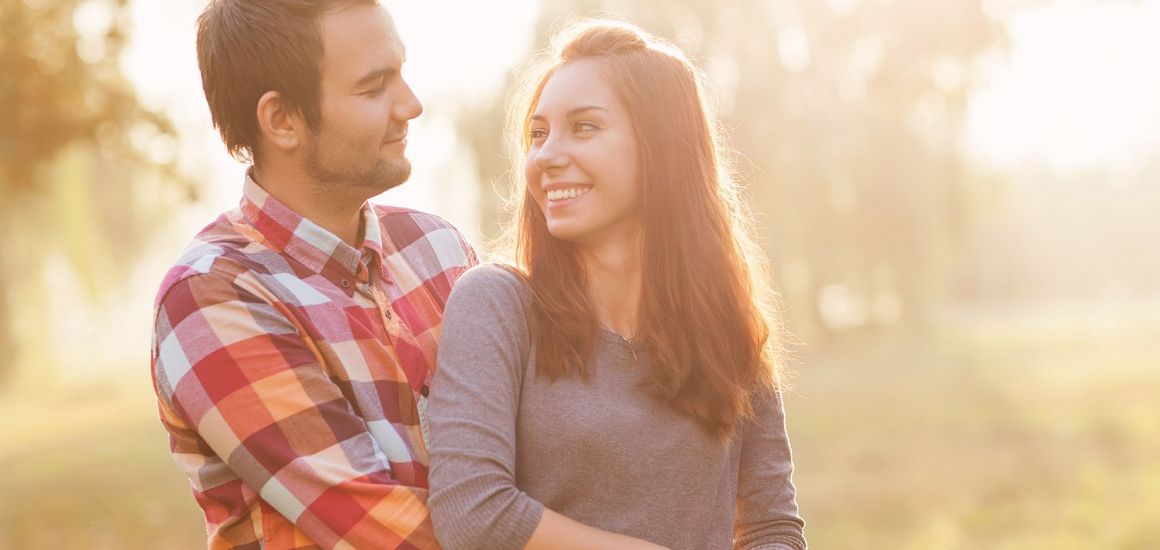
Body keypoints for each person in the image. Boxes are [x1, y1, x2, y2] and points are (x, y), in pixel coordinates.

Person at [425, 19, 806, 550]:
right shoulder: (495, 303)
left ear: (662, 148)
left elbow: (772, 526)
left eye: (584, 127)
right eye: (538, 134)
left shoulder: (727, 327)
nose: (547, 155)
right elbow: (473, 513)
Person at [150, 1, 475, 547]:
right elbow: (390, 536)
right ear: (282, 121)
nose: (412, 105)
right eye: (375, 88)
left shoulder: (437, 247)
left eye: (401, 73)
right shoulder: (213, 297)